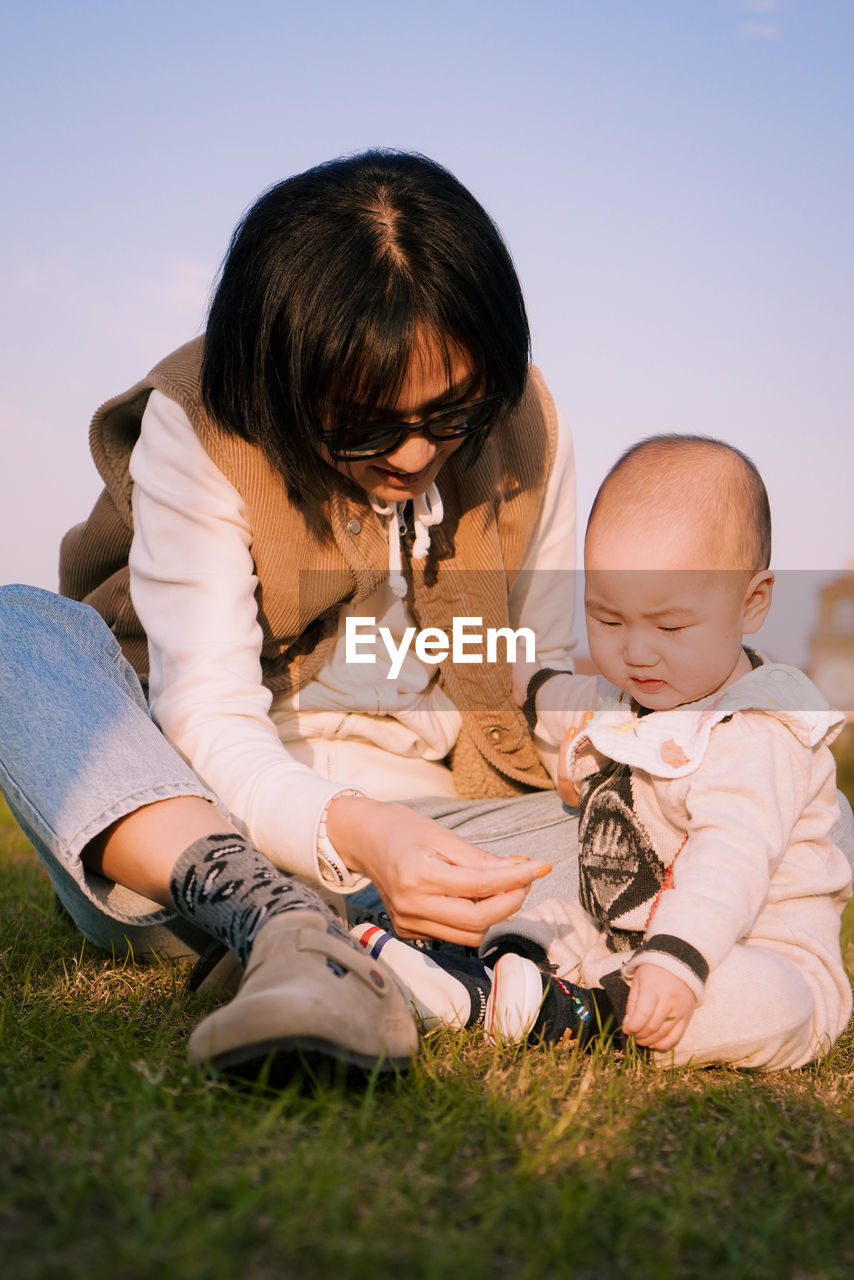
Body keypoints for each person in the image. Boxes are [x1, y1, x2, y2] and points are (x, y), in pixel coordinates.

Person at [0, 149, 581, 1080]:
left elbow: (543, 661)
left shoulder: (525, 423)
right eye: (365, 423)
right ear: (282, 378)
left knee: (756, 798)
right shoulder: (201, 422)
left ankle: (373, 955)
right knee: (13, 635)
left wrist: (616, 740)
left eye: (453, 411)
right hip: (198, 848)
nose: (416, 453)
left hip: (448, 840)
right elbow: (209, 719)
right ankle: (282, 927)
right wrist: (359, 835)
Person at [362, 436, 853, 1070]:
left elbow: (728, 858)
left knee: (770, 1000)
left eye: (671, 627)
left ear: (751, 602)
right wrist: (528, 686)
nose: (638, 652)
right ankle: (474, 976)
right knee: (544, 914)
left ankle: (576, 1016)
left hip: (745, 946)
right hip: (618, 936)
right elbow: (562, 698)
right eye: (609, 620)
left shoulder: (756, 730)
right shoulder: (629, 692)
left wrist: (675, 960)